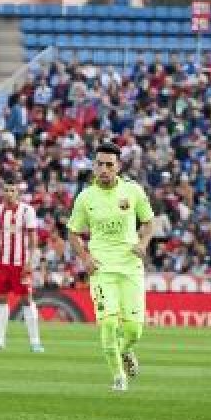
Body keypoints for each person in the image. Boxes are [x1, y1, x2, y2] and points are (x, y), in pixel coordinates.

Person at [67, 141, 154, 392]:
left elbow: (148, 223)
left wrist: (144, 242)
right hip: (102, 268)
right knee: (107, 324)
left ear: (118, 166)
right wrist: (85, 258)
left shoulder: (133, 191)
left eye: (109, 164)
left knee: (134, 331)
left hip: (130, 267)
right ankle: (118, 378)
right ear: (94, 166)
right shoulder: (85, 198)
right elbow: (73, 232)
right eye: (99, 164)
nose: (103, 169)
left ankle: (125, 350)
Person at [0, 175, 44, 353]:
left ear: (18, 192)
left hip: (20, 263)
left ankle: (35, 342)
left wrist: (31, 261)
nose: (9, 193)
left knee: (26, 300)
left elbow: (33, 239)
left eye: (12, 190)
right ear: (2, 192)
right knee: (0, 298)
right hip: (1, 263)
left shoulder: (26, 211)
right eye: (6, 190)